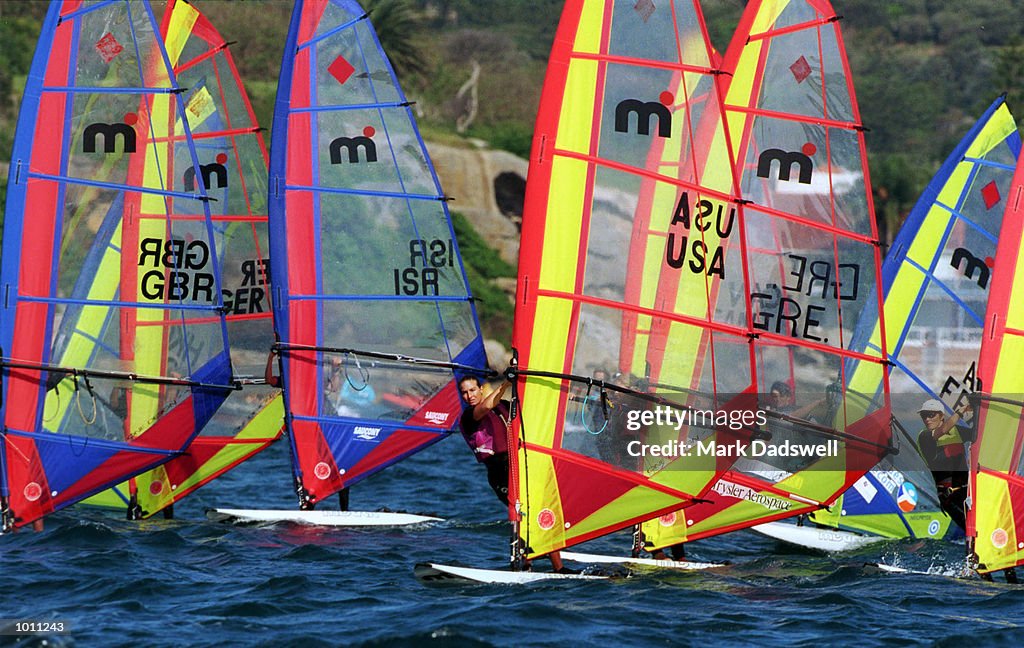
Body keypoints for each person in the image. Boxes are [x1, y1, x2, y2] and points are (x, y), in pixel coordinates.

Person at [457, 375, 572, 573]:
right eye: (465, 392)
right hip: (499, 472)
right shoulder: (468, 417)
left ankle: (556, 567)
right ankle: (524, 564)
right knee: (523, 514)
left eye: (472, 390)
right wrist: (507, 383)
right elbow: (486, 407)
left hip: (520, 465)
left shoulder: (503, 405)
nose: (469, 396)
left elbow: (527, 410)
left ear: (481, 389)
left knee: (540, 511)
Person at [915, 398, 974, 531]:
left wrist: (980, 412)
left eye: (931, 415)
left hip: (968, 491)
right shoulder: (924, 436)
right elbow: (943, 430)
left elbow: (979, 435)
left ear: (941, 416)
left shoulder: (957, 431)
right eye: (924, 416)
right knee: (972, 531)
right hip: (950, 498)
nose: (927, 419)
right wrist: (960, 412)